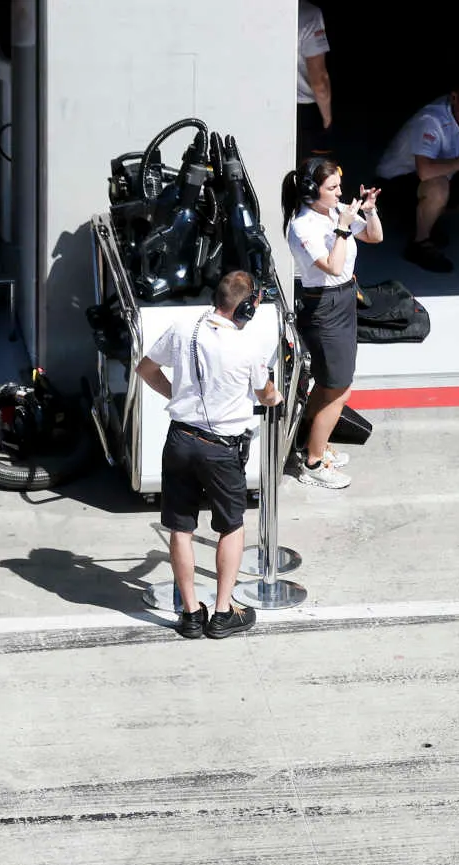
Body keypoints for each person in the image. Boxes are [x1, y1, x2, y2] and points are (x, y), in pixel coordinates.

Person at [133, 271, 283, 639]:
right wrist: (275, 397)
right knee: (231, 526)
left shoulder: (184, 328)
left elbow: (145, 369)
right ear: (246, 307)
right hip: (221, 448)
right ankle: (222, 611)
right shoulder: (248, 348)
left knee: (180, 527)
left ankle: (189, 614)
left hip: (181, 438)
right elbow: (265, 393)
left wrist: (178, 397)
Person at [282, 155, 382, 489]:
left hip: (344, 300)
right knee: (339, 388)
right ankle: (313, 462)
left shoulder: (336, 213)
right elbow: (333, 266)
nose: (340, 193)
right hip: (323, 305)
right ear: (313, 191)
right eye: (333, 188)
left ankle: (311, 443)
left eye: (340, 186)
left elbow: (373, 237)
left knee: (328, 384)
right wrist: (341, 229)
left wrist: (369, 211)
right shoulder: (303, 225)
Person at [374, 81, 459, 273]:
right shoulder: (431, 119)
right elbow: (425, 171)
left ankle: (429, 217)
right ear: (454, 98)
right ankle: (419, 243)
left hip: (441, 178)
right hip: (394, 186)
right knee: (438, 185)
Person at [295, 1, 333, 162]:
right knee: (311, 172)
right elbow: (319, 82)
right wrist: (327, 119)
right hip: (304, 108)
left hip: (263, 100)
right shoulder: (308, 14)